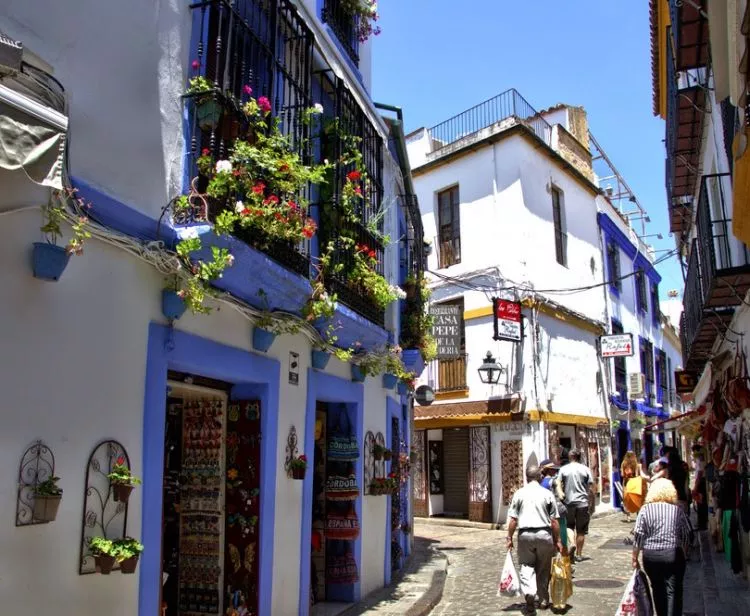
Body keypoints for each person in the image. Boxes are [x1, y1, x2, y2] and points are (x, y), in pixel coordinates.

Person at [506, 465, 564, 615]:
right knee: (543, 568)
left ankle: (530, 593)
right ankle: (544, 599)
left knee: (526, 565)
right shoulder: (547, 494)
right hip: (544, 534)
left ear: (526, 477)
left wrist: (509, 537)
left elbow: (513, 520)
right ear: (539, 477)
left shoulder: (519, 494)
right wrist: (557, 540)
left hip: (525, 535)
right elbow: (554, 521)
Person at [632, 478, 691, 616]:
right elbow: (686, 533)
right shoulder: (677, 510)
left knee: (657, 589)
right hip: (672, 553)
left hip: (651, 556)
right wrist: (685, 551)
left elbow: (639, 535)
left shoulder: (645, 510)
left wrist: (634, 557)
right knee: (673, 591)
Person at [558, 449, 593, 562]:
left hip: (568, 502)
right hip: (582, 503)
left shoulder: (563, 469)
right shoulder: (585, 469)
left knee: (569, 526)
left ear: (570, 457)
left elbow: (558, 483)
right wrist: (591, 503)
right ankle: (579, 554)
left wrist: (561, 494)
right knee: (581, 530)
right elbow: (591, 487)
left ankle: (572, 543)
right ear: (579, 457)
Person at [540, 458, 568, 551]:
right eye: (553, 469)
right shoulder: (555, 481)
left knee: (551, 533)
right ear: (550, 470)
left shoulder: (541, 483)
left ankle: (555, 553)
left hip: (547, 510)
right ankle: (563, 555)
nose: (555, 471)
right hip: (559, 508)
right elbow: (562, 496)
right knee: (562, 533)